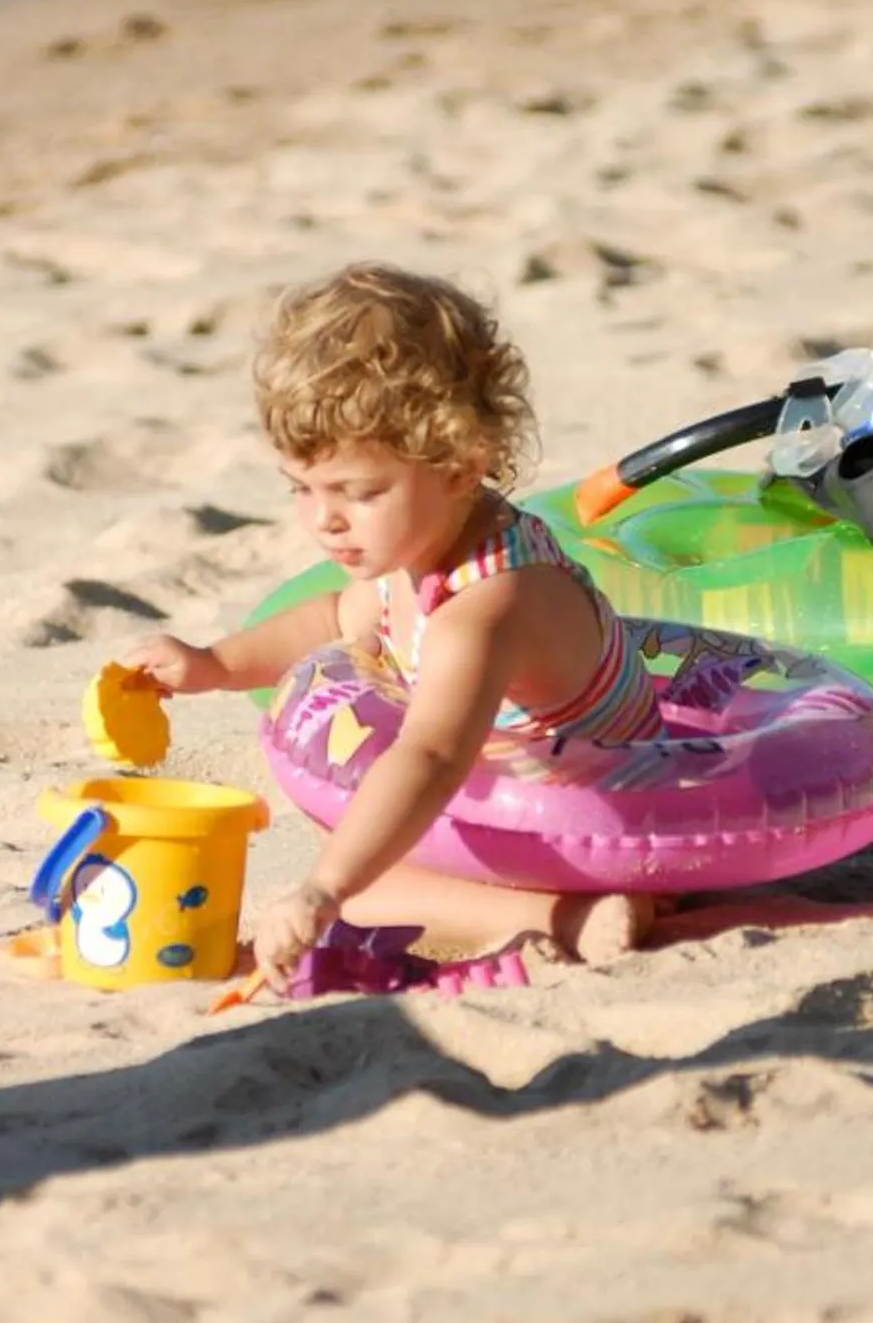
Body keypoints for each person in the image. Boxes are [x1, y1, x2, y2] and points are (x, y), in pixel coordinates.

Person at [130, 262, 663, 991]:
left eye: (359, 492)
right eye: (303, 490)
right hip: (540, 793)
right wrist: (214, 665)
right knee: (355, 846)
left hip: (604, 817)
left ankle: (559, 920)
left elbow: (433, 756)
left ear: (461, 465)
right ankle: (556, 911)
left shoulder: (485, 608)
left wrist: (326, 891)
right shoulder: (417, 550)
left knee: (363, 883)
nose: (325, 520)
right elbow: (330, 618)